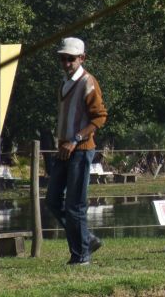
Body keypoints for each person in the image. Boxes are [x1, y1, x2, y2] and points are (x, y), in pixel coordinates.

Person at [46, 37, 108, 265]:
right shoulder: (65, 82)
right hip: (64, 149)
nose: (66, 63)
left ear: (82, 58)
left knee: (75, 205)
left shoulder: (88, 82)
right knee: (53, 200)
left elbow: (100, 117)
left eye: (70, 59)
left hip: (80, 150)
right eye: (62, 58)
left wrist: (75, 139)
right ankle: (86, 239)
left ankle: (81, 255)